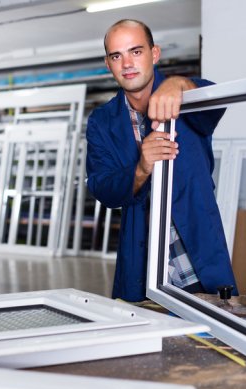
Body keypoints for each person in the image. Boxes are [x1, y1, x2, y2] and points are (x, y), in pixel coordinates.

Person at [86, 19, 237, 302]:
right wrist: (141, 168)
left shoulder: (186, 99)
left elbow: (217, 100)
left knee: (214, 335)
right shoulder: (101, 121)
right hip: (144, 258)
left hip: (197, 253)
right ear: (108, 64)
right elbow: (101, 187)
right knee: (144, 336)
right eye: (117, 56)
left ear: (154, 54)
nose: (127, 63)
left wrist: (180, 84)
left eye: (136, 51)